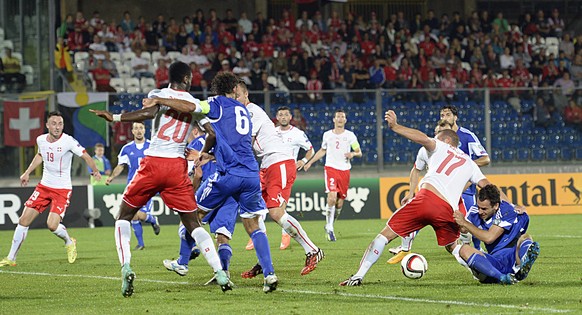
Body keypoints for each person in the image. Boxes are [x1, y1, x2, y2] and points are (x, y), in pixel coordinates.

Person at [90, 61, 230, 297]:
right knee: (193, 223)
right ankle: (220, 272)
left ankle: (126, 267)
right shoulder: (194, 104)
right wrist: (203, 154)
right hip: (176, 166)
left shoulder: (158, 94)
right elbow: (213, 133)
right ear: (186, 79)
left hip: (153, 162)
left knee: (122, 216)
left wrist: (113, 117)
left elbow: (147, 113)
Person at [340, 110, 519, 286]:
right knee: (454, 247)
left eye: (438, 135)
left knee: (384, 236)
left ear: (447, 140)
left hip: (426, 199)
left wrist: (395, 127)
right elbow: (488, 186)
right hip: (447, 210)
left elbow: (423, 139)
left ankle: (358, 275)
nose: (435, 137)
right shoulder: (470, 163)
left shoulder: (440, 145)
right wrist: (511, 205)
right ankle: (497, 275)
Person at [141, 72, 279, 293]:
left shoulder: (216, 103)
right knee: (253, 225)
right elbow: (233, 142)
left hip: (228, 175)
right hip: (251, 174)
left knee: (193, 216)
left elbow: (189, 106)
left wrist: (160, 100)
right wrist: (209, 154)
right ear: (234, 89)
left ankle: (183, 262)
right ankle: (270, 274)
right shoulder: (242, 109)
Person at [235, 81, 325, 278]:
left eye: (238, 96)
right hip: (266, 165)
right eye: (233, 97)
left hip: (280, 162)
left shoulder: (250, 111)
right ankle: (263, 260)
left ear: (246, 95)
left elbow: (244, 142)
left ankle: (313, 250)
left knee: (276, 212)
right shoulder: (242, 114)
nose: (235, 100)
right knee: (252, 212)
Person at [388, 104, 490, 263]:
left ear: (455, 118)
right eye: (442, 115)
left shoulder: (467, 136)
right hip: (439, 189)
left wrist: (467, 166)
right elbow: (416, 169)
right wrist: (410, 192)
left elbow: (485, 158)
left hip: (464, 190)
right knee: (422, 215)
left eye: (448, 114)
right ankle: (405, 248)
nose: (444, 117)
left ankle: (476, 249)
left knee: (468, 224)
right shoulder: (435, 144)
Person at [0, 111, 101, 267]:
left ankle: (69, 241)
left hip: (62, 189)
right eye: (54, 123)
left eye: (60, 124)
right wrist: (27, 172)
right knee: (23, 220)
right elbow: (40, 155)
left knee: (52, 225)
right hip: (44, 186)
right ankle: (11, 258)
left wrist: (94, 170)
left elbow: (86, 156)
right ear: (47, 125)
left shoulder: (68, 141)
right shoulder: (41, 140)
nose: (57, 127)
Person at [163, 121, 238, 283]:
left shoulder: (197, 143)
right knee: (222, 235)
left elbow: (197, 174)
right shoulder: (231, 139)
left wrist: (191, 192)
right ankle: (223, 272)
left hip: (213, 186)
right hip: (234, 188)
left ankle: (183, 261)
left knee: (189, 222)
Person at [244, 105, 315, 251]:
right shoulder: (271, 131)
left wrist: (303, 161)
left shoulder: (298, 133)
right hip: (268, 168)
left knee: (279, 208)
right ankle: (259, 233)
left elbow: (310, 149)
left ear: (290, 117)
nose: (283, 117)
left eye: (286, 115)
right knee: (259, 202)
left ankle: (286, 234)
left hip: (285, 169)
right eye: (280, 115)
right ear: (277, 117)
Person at [453, 184, 540, 284]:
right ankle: (503, 278)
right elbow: (464, 229)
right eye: (479, 207)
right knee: (463, 249)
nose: (480, 211)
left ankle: (522, 265)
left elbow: (489, 238)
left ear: (495, 206)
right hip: (493, 265)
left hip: (512, 259)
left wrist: (464, 222)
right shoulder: (474, 211)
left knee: (525, 237)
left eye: (484, 209)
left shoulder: (506, 210)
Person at [304, 109, 362, 241]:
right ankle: (329, 227)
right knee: (332, 196)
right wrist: (309, 162)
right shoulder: (327, 135)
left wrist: (352, 154)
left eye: (342, 117)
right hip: (331, 168)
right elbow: (322, 150)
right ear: (334, 119)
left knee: (339, 203)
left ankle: (331, 223)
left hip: (345, 170)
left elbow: (359, 151)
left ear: (345, 120)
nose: (340, 119)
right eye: (338, 117)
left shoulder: (350, 135)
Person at [106, 122, 160, 250]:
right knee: (133, 216)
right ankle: (140, 244)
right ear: (132, 131)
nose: (139, 130)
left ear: (144, 130)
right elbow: (121, 166)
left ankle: (152, 220)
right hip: (132, 186)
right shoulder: (127, 148)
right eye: (136, 128)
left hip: (148, 186)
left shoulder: (152, 146)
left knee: (140, 215)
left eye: (141, 127)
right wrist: (112, 177)